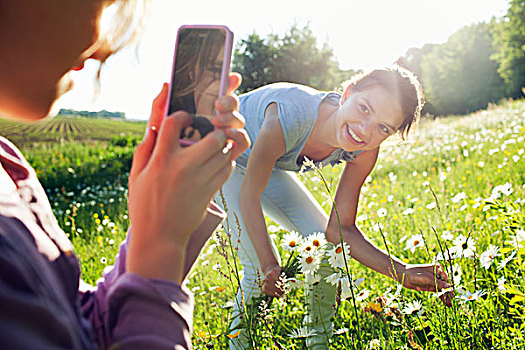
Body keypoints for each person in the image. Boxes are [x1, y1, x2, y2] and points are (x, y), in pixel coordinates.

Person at [0, 0, 249, 349]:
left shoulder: (9, 166)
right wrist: (162, 245)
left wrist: (165, 215)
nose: (102, 47)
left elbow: (80, 324)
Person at [215, 67, 452, 349]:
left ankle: (318, 342)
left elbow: (341, 231)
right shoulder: (287, 117)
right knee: (256, 269)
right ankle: (237, 345)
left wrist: (401, 271)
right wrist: (269, 265)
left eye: (384, 128)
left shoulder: (364, 149)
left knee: (325, 248)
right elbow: (248, 197)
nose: (365, 130)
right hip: (222, 156)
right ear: (348, 93)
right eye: (364, 108)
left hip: (266, 165)